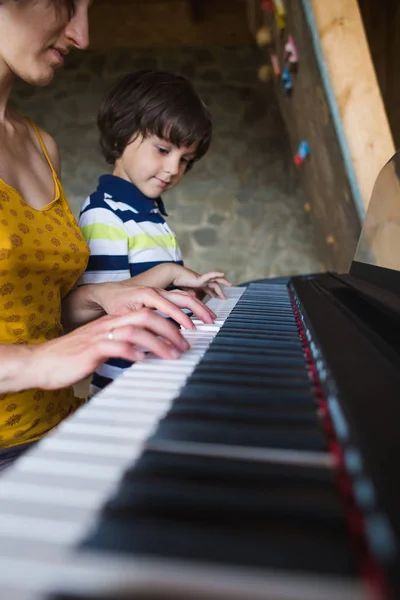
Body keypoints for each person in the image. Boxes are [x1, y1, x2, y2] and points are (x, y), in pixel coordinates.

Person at [0, 0, 216, 467]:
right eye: (66, 3)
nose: (83, 35)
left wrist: (110, 298)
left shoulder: (42, 146)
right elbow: (48, 348)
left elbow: (46, 310)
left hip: (60, 427)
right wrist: (37, 361)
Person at [78, 69, 231, 392]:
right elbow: (103, 306)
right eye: (163, 150)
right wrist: (170, 272)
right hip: (124, 387)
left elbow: (154, 296)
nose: (174, 169)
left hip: (157, 375)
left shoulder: (152, 215)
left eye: (185, 159)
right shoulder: (105, 214)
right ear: (122, 135)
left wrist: (190, 296)